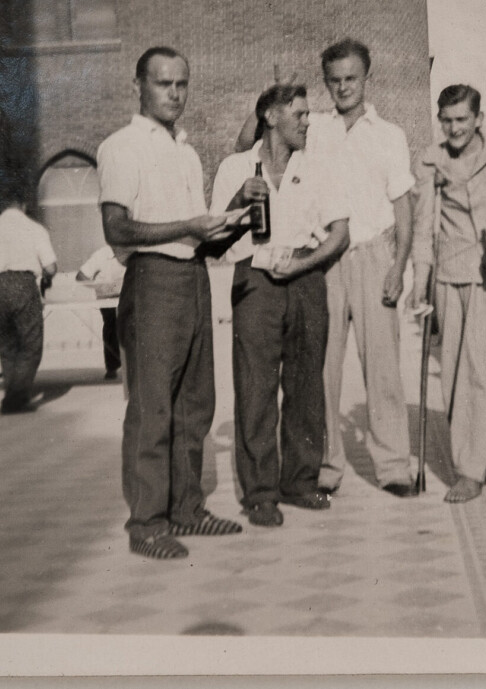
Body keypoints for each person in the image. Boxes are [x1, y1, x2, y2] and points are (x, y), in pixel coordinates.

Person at [98, 46, 242, 561]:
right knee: (152, 408)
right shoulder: (121, 147)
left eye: (182, 84)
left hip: (193, 277)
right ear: (137, 85)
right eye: (164, 83)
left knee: (194, 403)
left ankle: (187, 510)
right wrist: (187, 226)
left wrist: (235, 213)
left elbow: (197, 233)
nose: (175, 94)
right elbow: (116, 229)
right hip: (152, 281)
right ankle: (146, 524)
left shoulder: (186, 151)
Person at [210, 84, 351, 527]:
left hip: (306, 278)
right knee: (255, 389)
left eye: (308, 115)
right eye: (300, 114)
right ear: (271, 117)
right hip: (254, 281)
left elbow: (340, 234)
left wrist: (304, 264)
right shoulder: (234, 167)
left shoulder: (318, 166)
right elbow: (215, 242)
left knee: (306, 387)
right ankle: (260, 494)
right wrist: (239, 201)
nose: (308, 122)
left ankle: (300, 482)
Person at [310, 39, 417, 498]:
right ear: (325, 83)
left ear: (366, 78)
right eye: (334, 80)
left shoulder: (389, 135)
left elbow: (404, 208)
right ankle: (325, 465)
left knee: (383, 368)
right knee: (322, 369)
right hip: (325, 260)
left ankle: (393, 466)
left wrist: (398, 267)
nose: (343, 87)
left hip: (374, 257)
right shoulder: (313, 130)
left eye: (351, 78)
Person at [409, 85, 486, 503]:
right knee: (455, 374)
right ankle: (474, 461)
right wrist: (419, 282)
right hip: (449, 276)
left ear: (478, 118)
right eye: (447, 120)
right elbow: (423, 228)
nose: (454, 128)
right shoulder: (430, 161)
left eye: (462, 119)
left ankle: (474, 470)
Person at [0, 188, 57, 415]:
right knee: (31, 343)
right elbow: (50, 267)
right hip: (23, 284)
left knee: (7, 344)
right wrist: (46, 277)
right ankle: (15, 399)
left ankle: (14, 394)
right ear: (23, 206)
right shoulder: (35, 229)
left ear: (2, 207)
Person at [76, 244, 125, 379]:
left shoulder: (133, 252)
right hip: (107, 298)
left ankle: (134, 367)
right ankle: (111, 367)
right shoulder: (101, 254)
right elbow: (81, 276)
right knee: (111, 327)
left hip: (128, 295)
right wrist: (99, 286)